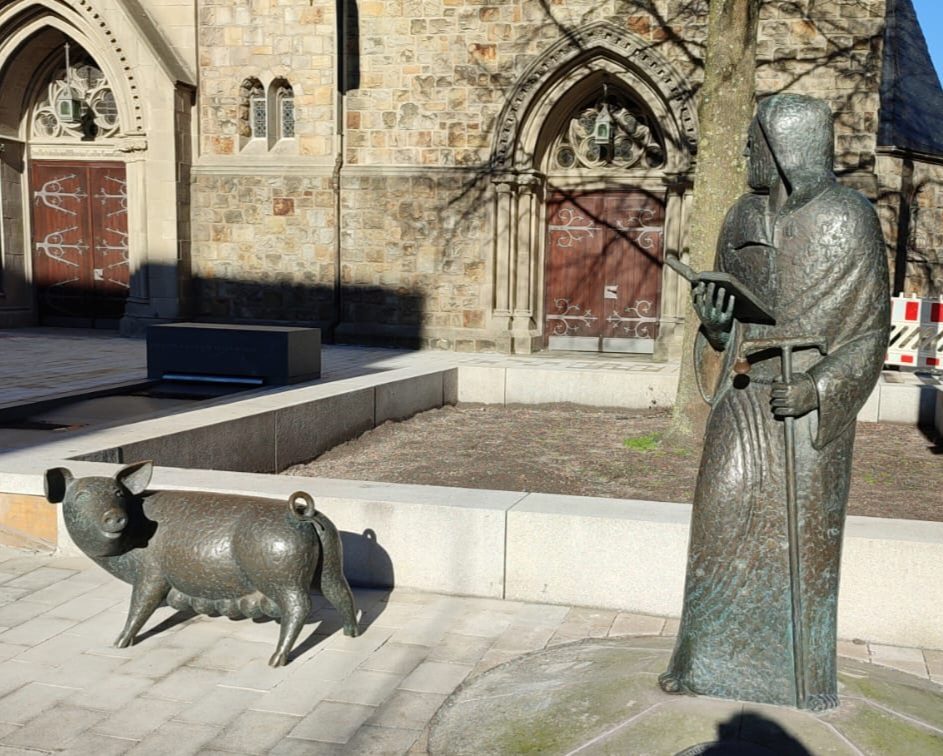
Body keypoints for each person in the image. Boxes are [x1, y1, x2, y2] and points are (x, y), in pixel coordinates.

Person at [659, 94, 890, 710]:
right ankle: (703, 659)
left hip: (809, 411)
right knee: (718, 514)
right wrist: (713, 326)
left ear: (786, 147)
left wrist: (816, 387)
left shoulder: (850, 218)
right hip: (744, 397)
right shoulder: (740, 217)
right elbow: (724, 316)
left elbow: (869, 332)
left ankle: (800, 674)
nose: (743, 150)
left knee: (804, 545)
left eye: (753, 140)